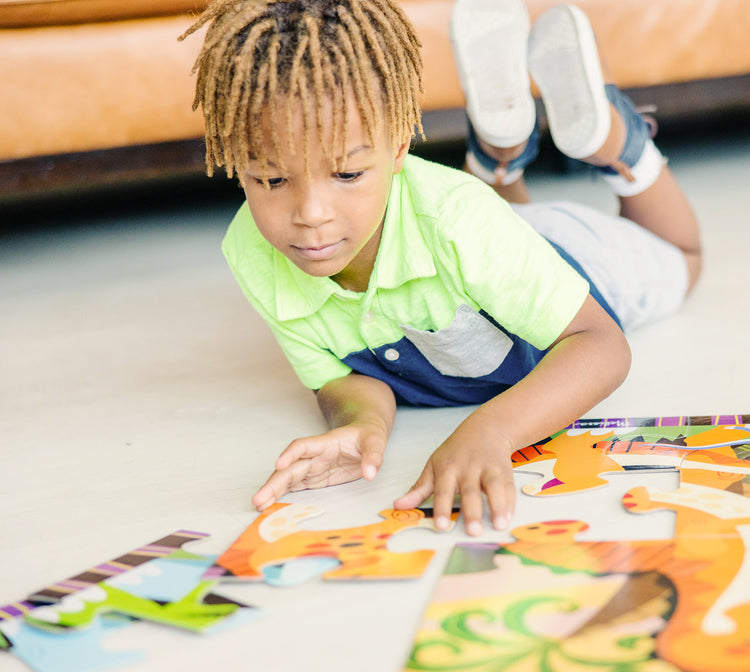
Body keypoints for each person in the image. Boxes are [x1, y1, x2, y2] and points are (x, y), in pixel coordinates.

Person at [180, 0, 701, 536]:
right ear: (236, 160)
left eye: (347, 173)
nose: (310, 215)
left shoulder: (456, 220)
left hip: (568, 254)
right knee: (490, 224)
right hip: (492, 254)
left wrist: (491, 432)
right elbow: (341, 378)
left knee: (683, 255)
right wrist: (363, 422)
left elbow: (601, 344)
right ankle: (501, 149)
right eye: (270, 180)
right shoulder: (250, 251)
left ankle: (617, 142)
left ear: (400, 145)